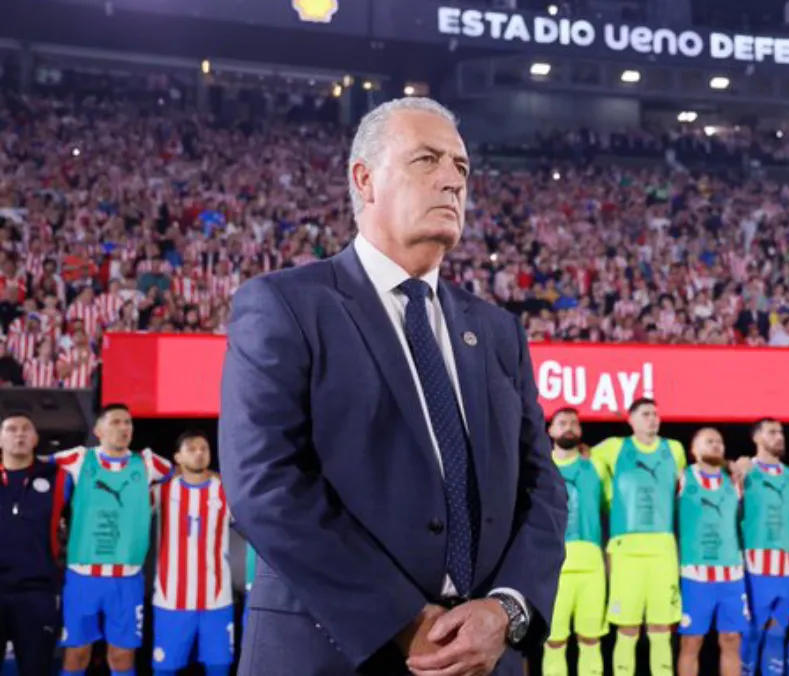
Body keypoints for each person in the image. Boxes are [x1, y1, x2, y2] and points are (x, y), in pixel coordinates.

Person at [219, 97, 568, 676]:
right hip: (332, 654)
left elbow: (544, 487)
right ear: (365, 179)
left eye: (461, 166)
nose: (452, 180)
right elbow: (265, 481)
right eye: (427, 159)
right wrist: (403, 619)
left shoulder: (498, 331)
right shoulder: (285, 304)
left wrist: (506, 610)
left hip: (483, 658)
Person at [54, 403, 173, 676]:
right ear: (98, 430)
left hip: (126, 579)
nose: (124, 428)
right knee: (76, 655)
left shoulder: (148, 463)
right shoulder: (79, 458)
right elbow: (34, 465)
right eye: (116, 422)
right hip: (83, 576)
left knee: (122, 657)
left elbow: (183, 472)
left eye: (128, 423)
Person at [587, 398, 686, 676]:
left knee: (661, 627)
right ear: (630, 419)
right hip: (626, 548)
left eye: (655, 414)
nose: (652, 419)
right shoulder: (613, 447)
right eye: (645, 414)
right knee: (627, 627)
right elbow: (583, 459)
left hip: (662, 546)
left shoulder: (674, 449)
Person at [150, 431, 234, 676]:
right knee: (165, 669)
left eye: (204, 448)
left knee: (219, 668)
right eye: (191, 449)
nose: (199, 453)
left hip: (217, 599)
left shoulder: (226, 492)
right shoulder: (161, 492)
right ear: (177, 457)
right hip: (171, 599)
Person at [0, 413, 69, 676]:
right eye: (11, 429)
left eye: (25, 429)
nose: (19, 434)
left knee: (36, 669)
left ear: (36, 439)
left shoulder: (59, 478)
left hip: (37, 592)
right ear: (0, 439)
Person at [542, 408, 606, 676]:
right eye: (562, 422)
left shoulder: (598, 464)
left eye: (574, 423)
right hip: (551, 564)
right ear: (550, 431)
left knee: (591, 639)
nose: (569, 427)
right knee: (554, 641)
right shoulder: (539, 466)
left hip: (591, 563)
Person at [678, 428, 745, 676]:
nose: (716, 445)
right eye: (709, 441)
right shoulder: (682, 477)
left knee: (731, 639)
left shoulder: (735, 481)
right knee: (691, 641)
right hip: (695, 574)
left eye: (719, 441)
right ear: (693, 450)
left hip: (731, 574)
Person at [739, 418, 789, 676]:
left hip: (788, 566)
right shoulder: (744, 471)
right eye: (771, 432)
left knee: (777, 633)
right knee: (751, 632)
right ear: (756, 438)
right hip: (755, 564)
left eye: (781, 432)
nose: (779, 437)